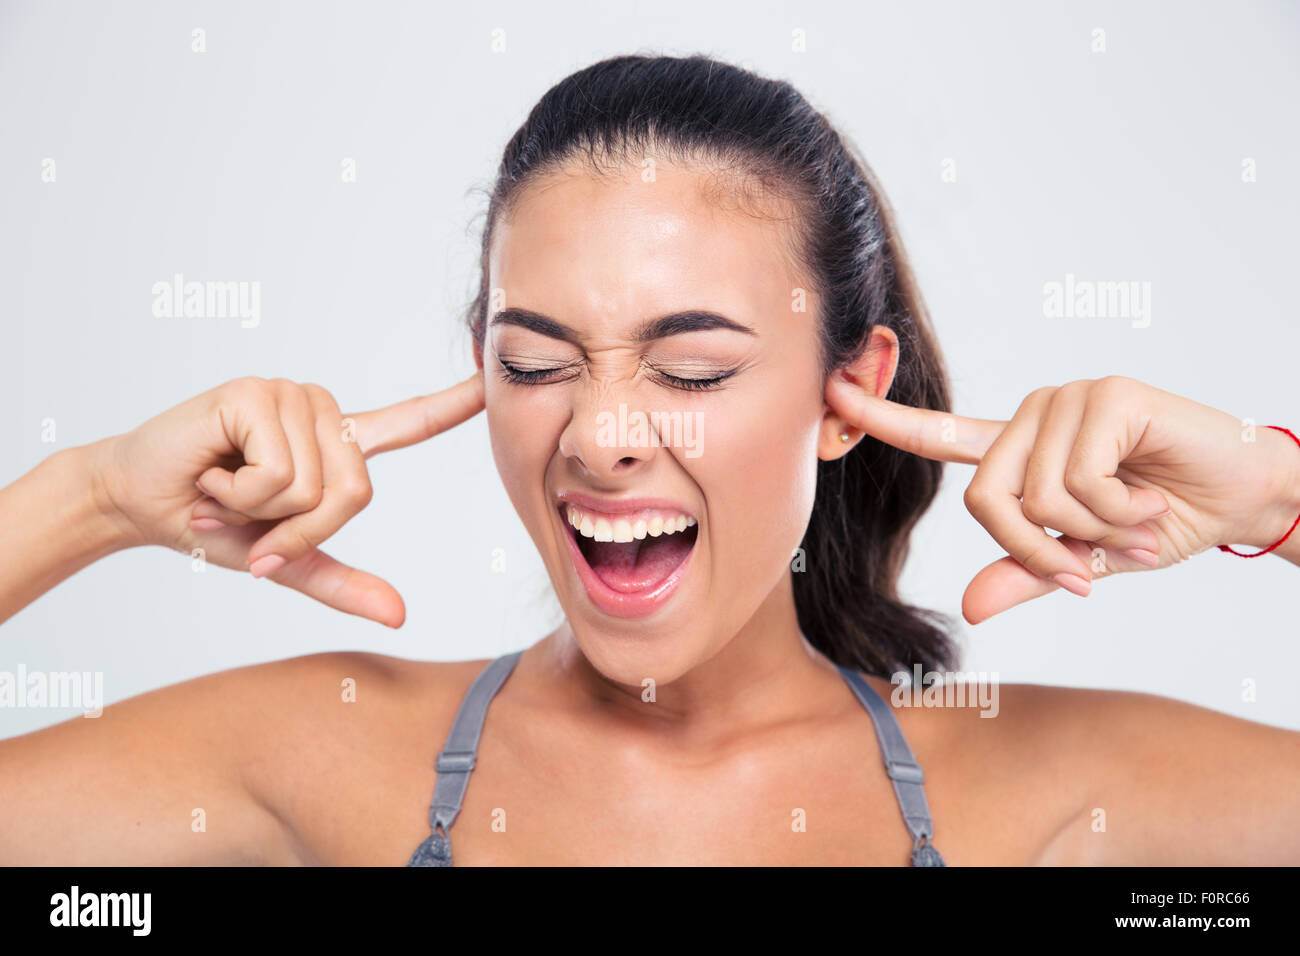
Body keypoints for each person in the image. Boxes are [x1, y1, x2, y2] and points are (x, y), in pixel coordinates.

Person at [3, 54, 1298, 866]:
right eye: (535, 360)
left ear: (850, 396)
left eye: (691, 371)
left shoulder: (1053, 791)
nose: (605, 435)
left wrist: (1278, 494)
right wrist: (95, 496)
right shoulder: (313, 754)